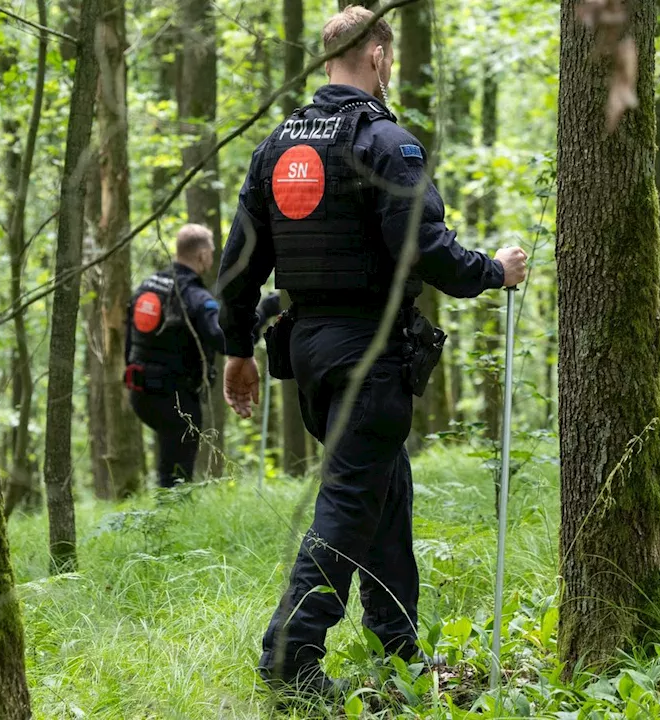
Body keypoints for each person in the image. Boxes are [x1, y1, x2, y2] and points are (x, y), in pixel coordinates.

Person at [216, 5, 528, 696]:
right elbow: (427, 248)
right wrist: (493, 269)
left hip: (313, 351)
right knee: (351, 499)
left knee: (385, 490)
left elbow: (238, 265)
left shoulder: (279, 148)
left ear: (328, 59)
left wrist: (238, 350)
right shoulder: (386, 141)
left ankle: (398, 648)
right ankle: (290, 655)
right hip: (370, 350)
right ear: (380, 57)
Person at [124, 224, 225, 489]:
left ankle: (164, 518)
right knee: (177, 478)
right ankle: (172, 521)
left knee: (168, 464)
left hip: (140, 393)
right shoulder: (195, 296)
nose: (212, 257)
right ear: (202, 255)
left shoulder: (147, 286)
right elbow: (225, 340)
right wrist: (261, 315)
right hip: (176, 400)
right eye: (212, 252)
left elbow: (129, 337)